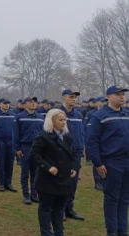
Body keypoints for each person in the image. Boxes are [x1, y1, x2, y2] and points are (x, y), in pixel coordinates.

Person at [86, 85, 129, 236]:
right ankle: (112, 230)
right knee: (112, 198)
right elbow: (92, 141)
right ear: (109, 97)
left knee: (125, 197)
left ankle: (122, 229)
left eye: (123, 94)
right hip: (111, 162)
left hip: (127, 161)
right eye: (118, 94)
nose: (122, 97)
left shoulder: (126, 113)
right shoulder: (99, 116)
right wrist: (98, 163)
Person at [30, 109, 79, 236]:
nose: (64, 122)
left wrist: (74, 167)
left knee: (59, 209)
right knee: (45, 208)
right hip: (47, 181)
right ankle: (46, 233)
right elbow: (34, 154)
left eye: (65, 120)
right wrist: (48, 167)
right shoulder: (43, 136)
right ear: (51, 121)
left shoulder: (67, 137)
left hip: (64, 180)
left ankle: (59, 232)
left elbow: (74, 153)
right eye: (60, 120)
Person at [58, 89, 85, 221]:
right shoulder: (56, 113)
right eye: (71, 97)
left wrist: (81, 149)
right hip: (62, 152)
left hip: (76, 153)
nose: (74, 99)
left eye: (75, 97)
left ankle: (69, 208)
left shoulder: (78, 115)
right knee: (62, 182)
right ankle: (60, 209)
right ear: (64, 98)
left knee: (73, 183)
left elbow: (81, 134)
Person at [13, 96, 44, 205]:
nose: (33, 104)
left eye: (35, 102)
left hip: (37, 148)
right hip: (25, 147)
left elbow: (43, 133)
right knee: (25, 172)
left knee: (36, 172)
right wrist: (17, 148)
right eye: (30, 102)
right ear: (25, 104)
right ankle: (26, 194)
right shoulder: (19, 117)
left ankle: (34, 194)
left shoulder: (40, 116)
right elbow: (16, 134)